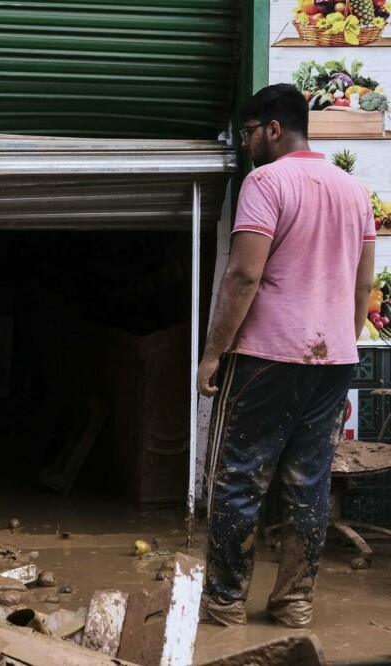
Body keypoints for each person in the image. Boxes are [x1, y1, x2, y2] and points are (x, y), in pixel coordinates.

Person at [197, 83, 375, 628]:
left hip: (266, 358)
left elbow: (245, 273)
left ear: (273, 129)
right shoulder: (353, 189)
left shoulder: (266, 182)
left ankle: (225, 602)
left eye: (249, 133)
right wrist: (337, 343)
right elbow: (363, 286)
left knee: (237, 477)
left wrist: (212, 354)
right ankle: (294, 603)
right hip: (335, 360)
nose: (247, 144)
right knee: (309, 482)